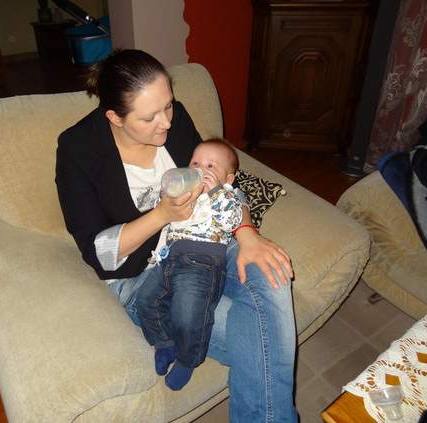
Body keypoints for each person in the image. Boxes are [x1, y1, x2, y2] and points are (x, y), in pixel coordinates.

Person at [56, 49, 298, 422]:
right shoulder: (77, 149)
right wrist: (162, 215)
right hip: (143, 275)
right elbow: (98, 252)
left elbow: (222, 184)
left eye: (168, 105)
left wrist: (247, 232)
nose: (167, 123)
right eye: (149, 117)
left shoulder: (176, 118)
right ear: (114, 117)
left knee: (270, 275)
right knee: (258, 337)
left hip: (207, 242)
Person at [136, 139, 243, 391]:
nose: (201, 170)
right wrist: (166, 197)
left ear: (228, 178)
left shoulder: (226, 196)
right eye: (195, 163)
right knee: (145, 300)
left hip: (201, 263)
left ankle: (187, 360)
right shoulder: (186, 192)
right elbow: (159, 212)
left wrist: (216, 191)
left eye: (210, 166)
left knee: (188, 314)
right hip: (167, 259)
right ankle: (164, 343)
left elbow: (233, 220)